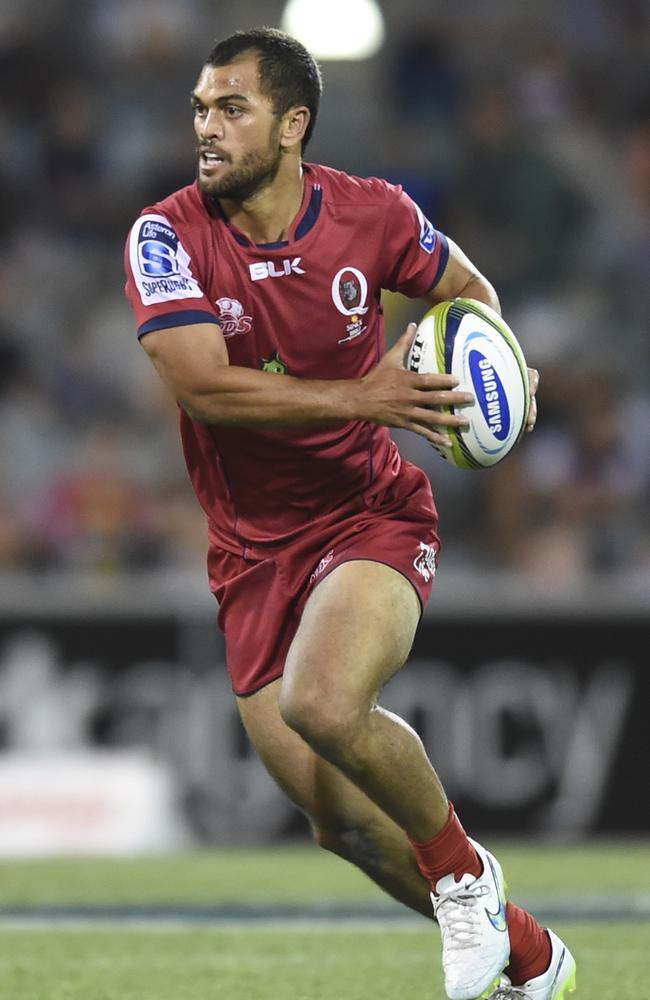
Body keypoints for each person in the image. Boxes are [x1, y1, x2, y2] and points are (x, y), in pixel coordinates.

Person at [124, 27, 576, 1000]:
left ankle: (462, 872)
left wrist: (492, 372)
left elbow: (468, 293)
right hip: (247, 551)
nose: (206, 125)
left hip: (368, 512)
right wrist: (364, 395)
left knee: (321, 701)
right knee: (344, 825)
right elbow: (206, 388)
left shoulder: (371, 216)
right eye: (201, 106)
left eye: (230, 107)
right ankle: (532, 959)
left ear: (293, 123)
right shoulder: (165, 235)